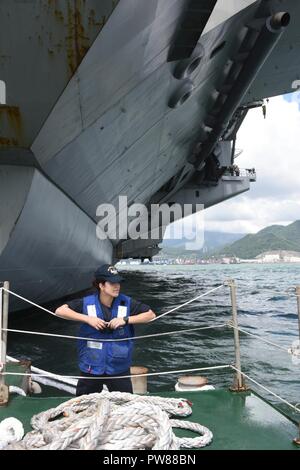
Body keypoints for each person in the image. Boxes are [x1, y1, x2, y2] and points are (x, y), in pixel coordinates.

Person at [55, 264, 156, 396]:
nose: (117, 286)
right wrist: (88, 319)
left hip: (118, 366)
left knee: (124, 404)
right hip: (91, 365)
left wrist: (125, 320)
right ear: (101, 285)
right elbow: (60, 311)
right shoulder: (86, 302)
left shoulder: (126, 302)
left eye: (118, 282)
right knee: (83, 404)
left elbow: (150, 315)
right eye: (112, 283)